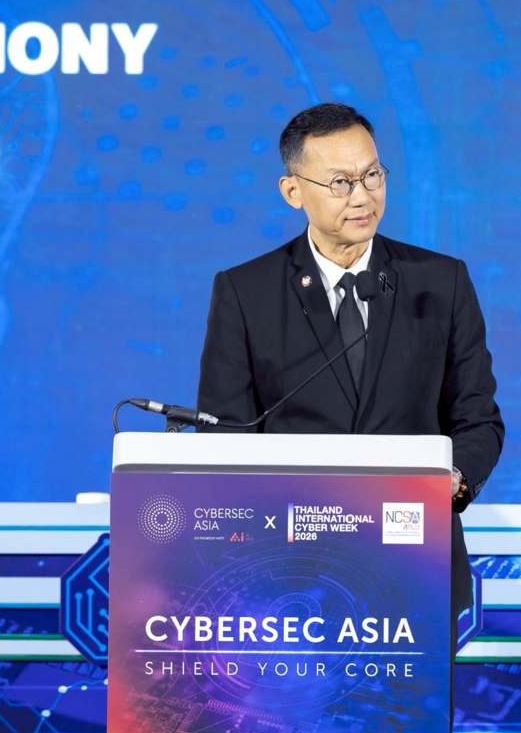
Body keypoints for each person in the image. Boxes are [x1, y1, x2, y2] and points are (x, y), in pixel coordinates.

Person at [197, 102, 504, 618]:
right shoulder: (245, 292)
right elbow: (224, 437)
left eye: (372, 175)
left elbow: (478, 419)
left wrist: (454, 478)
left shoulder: (440, 282)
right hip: (287, 577)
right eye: (340, 182)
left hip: (416, 562)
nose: (362, 196)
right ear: (293, 191)